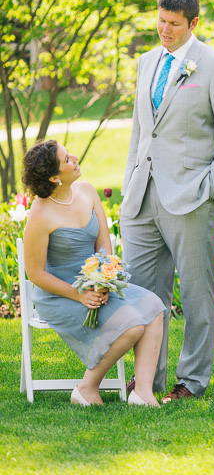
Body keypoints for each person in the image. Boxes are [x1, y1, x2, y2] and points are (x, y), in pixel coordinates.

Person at [120, 0, 214, 403]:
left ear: (194, 23)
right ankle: (146, 380)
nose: (164, 30)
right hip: (143, 197)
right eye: (160, 21)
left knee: (196, 293)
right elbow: (141, 131)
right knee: (141, 293)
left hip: (193, 197)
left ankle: (190, 381)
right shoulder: (145, 62)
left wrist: (212, 191)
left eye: (174, 24)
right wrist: (128, 187)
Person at [22, 141, 166, 407]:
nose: (75, 158)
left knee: (154, 307)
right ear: (54, 177)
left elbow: (103, 245)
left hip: (99, 284)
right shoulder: (40, 214)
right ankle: (87, 388)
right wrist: (80, 296)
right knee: (133, 325)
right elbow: (35, 273)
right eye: (67, 159)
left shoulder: (87, 191)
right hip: (61, 293)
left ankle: (143, 393)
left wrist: (105, 278)